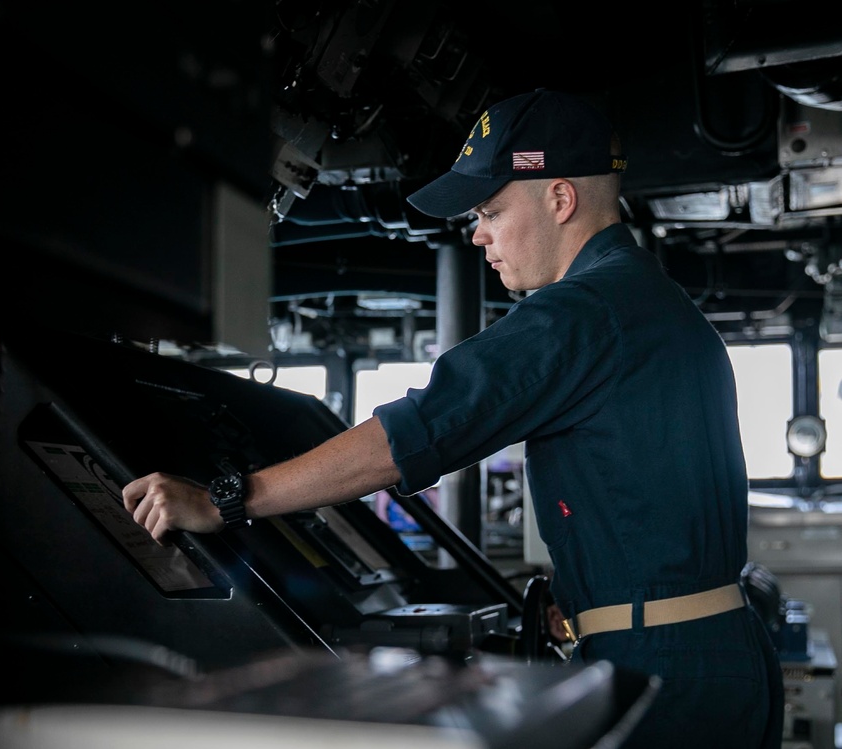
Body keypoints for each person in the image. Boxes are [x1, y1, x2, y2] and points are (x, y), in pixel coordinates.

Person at [123, 89, 784, 748]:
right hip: (716, 650)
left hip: (660, 666)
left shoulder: (578, 311)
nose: (477, 234)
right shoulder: (651, 299)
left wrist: (227, 499)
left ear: (559, 199)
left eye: (491, 210)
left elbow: (410, 435)